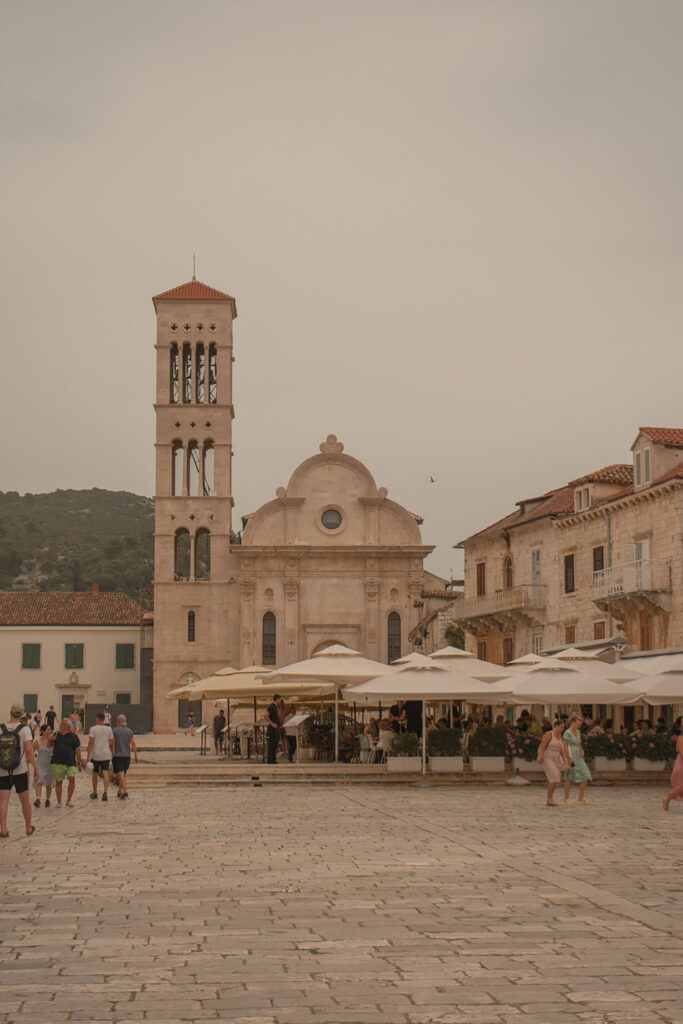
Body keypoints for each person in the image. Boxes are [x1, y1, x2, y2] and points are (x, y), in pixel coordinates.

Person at [0, 702, 39, 837]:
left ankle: (3, 829)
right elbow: (29, 750)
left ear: (10, 712)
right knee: (25, 799)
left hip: (3, 769)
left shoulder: (1, 728)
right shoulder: (25, 729)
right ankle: (28, 827)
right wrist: (35, 768)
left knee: (3, 800)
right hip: (20, 769)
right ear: (22, 714)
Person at [50, 719, 83, 807]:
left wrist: (79, 763)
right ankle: (59, 801)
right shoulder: (56, 735)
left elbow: (78, 750)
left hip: (70, 762)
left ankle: (69, 800)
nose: (61, 725)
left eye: (63, 724)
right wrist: (50, 740)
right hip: (57, 761)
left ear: (68, 726)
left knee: (72, 779)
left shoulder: (74, 736)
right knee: (59, 781)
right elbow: (48, 745)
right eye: (61, 724)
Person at [537, 720, 570, 807]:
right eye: (561, 727)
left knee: (556, 778)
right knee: (554, 776)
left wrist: (563, 757)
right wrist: (541, 757)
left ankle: (550, 798)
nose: (562, 729)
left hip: (556, 758)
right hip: (548, 757)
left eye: (563, 727)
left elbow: (560, 747)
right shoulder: (548, 734)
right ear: (556, 726)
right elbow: (542, 746)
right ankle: (549, 798)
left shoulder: (560, 736)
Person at [563, 714, 592, 805]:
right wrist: (568, 758)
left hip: (578, 756)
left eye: (580, 724)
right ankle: (566, 798)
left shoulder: (578, 732)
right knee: (569, 776)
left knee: (585, 774)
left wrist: (582, 750)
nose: (579, 726)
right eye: (578, 724)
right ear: (573, 723)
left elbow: (578, 743)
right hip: (571, 755)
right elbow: (565, 746)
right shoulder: (567, 733)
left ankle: (580, 797)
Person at [86, 712, 115, 801]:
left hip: (96, 754)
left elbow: (91, 742)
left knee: (95, 773)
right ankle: (105, 792)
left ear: (97, 719)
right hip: (105, 754)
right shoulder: (109, 729)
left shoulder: (93, 729)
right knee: (105, 772)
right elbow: (111, 742)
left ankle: (95, 792)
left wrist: (88, 755)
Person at [112, 714, 138, 799]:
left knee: (121, 774)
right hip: (127, 755)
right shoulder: (129, 731)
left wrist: (112, 755)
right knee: (123, 774)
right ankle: (120, 791)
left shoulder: (114, 731)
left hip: (118, 755)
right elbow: (133, 743)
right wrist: (136, 755)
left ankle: (125, 792)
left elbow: (113, 744)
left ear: (118, 722)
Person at [33, 724, 54, 808]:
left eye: (50, 729)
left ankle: (47, 799)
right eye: (48, 729)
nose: (49, 731)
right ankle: (38, 799)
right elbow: (31, 751)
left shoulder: (53, 741)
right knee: (39, 781)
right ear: (43, 731)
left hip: (49, 765)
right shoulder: (37, 742)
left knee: (49, 783)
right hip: (40, 764)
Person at [663, 731, 683, 811]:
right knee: (681, 785)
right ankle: (667, 798)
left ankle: (667, 798)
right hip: (681, 765)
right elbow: (682, 753)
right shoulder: (681, 738)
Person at [264, 695, 282, 764]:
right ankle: (270, 760)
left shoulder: (275, 707)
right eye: (280, 700)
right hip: (272, 728)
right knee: (271, 744)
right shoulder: (271, 707)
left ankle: (273, 759)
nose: (280, 701)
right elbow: (265, 715)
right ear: (276, 699)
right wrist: (272, 724)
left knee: (275, 744)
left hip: (276, 727)